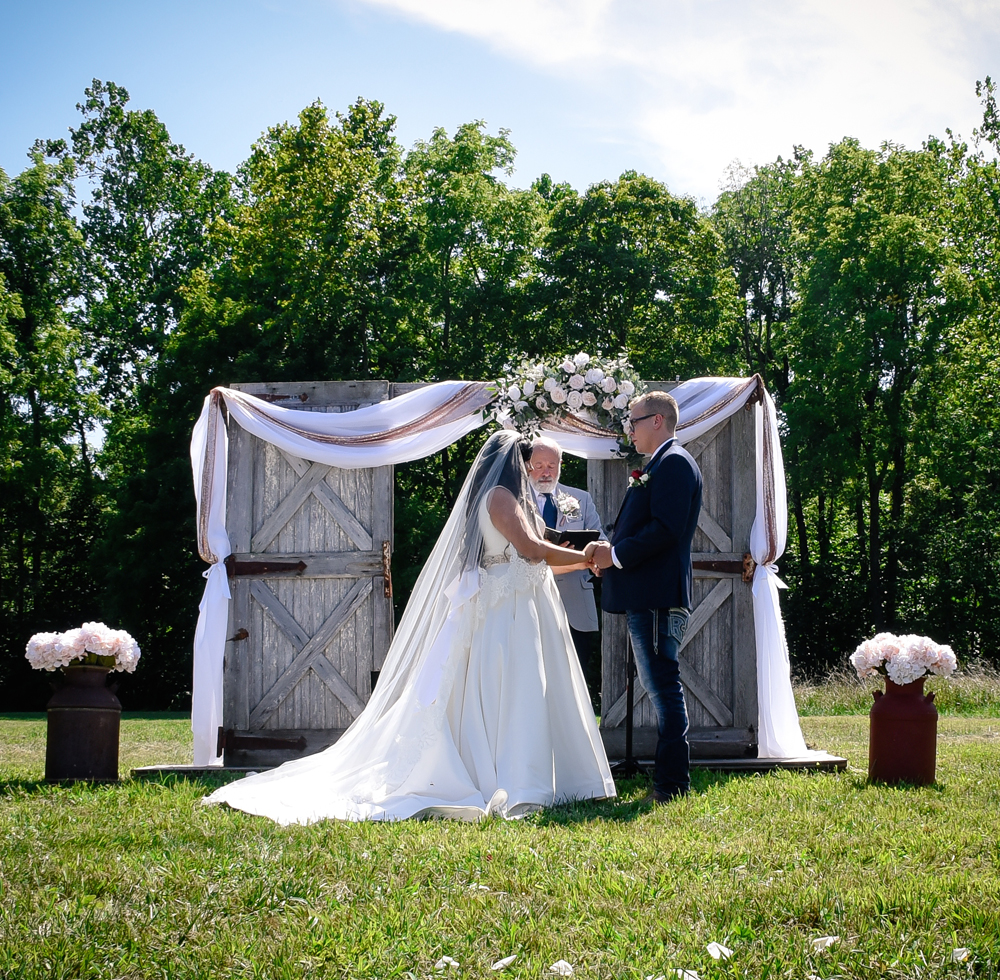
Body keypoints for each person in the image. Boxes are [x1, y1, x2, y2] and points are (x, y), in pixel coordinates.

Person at [205, 431, 616, 823]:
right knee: (507, 689)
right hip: (505, 609)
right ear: (512, 463)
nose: (532, 470)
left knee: (523, 690)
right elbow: (530, 550)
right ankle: (511, 778)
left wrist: (585, 554)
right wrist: (588, 560)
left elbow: (546, 539)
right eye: (527, 462)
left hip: (522, 606)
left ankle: (541, 774)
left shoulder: (515, 499)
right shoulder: (500, 497)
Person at [586, 391, 702, 803]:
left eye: (633, 422)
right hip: (650, 592)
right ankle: (674, 782)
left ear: (657, 421)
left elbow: (665, 530)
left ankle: (671, 785)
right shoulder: (661, 464)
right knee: (662, 685)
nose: (629, 431)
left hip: (656, 595)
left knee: (663, 686)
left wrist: (615, 554)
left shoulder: (673, 464)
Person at [527, 437, 606, 708]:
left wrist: (594, 552)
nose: (545, 472)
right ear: (527, 466)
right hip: (529, 600)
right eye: (538, 465)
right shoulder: (515, 501)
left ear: (561, 465)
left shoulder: (579, 499)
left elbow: (602, 541)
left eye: (551, 464)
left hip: (574, 603)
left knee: (575, 682)